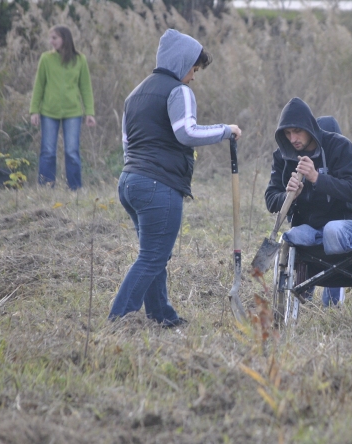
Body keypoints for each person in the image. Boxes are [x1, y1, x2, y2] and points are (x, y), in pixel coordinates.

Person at [108, 29, 242, 328]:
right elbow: (187, 133)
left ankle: (161, 316)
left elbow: (127, 143)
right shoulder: (178, 91)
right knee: (153, 257)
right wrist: (226, 130)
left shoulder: (134, 95)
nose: (193, 77)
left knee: (155, 254)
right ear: (183, 63)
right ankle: (118, 320)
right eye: (194, 69)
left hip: (129, 182)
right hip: (158, 186)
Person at [265, 98, 352, 306]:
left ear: (309, 127)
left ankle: (333, 295)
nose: (293, 138)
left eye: (297, 131)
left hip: (347, 225)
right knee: (292, 236)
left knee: (332, 230)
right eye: (287, 133)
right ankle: (300, 297)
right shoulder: (283, 156)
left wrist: (316, 178)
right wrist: (289, 195)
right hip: (311, 229)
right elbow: (271, 200)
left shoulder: (339, 146)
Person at [30, 25, 96, 191]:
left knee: (72, 152)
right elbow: (39, 86)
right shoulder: (45, 59)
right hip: (48, 112)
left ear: (65, 39)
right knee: (48, 151)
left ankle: (75, 188)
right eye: (51, 38)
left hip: (72, 112)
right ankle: (46, 187)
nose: (51, 41)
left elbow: (86, 87)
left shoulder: (80, 60)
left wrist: (89, 112)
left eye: (55, 38)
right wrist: (34, 110)